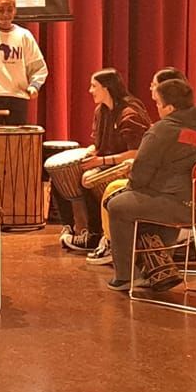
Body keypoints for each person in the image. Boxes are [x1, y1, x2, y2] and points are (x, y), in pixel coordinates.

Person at [105, 79, 196, 292]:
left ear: (170, 107)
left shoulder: (162, 130)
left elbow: (139, 177)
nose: (157, 108)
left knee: (118, 205)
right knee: (155, 199)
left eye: (158, 104)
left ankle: (125, 277)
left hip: (191, 208)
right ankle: (159, 267)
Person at [85, 67, 189, 266]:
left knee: (114, 196)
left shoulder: (165, 129)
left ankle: (123, 263)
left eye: (155, 89)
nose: (151, 90)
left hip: (178, 200)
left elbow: (149, 168)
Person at [55, 68, 152, 253]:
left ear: (106, 88)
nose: (90, 90)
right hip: (107, 160)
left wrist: (101, 161)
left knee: (87, 180)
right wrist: (90, 152)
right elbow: (97, 143)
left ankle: (94, 235)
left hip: (127, 166)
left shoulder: (129, 113)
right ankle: (73, 226)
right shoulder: (102, 111)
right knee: (62, 174)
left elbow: (136, 153)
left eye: (94, 86)